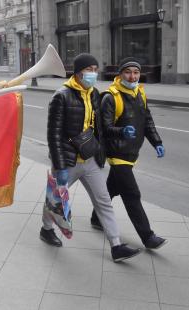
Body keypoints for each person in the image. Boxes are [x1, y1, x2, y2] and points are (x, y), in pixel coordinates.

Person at [40, 53, 141, 262]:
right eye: (89, 70)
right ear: (77, 73)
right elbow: (53, 135)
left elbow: (100, 128)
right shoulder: (61, 96)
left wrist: (120, 132)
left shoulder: (94, 93)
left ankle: (116, 245)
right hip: (67, 161)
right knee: (55, 198)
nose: (93, 73)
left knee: (103, 200)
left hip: (90, 160)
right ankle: (46, 229)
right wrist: (60, 167)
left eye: (95, 69)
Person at [90, 57, 167, 250]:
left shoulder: (140, 93)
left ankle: (96, 218)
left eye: (136, 72)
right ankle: (148, 237)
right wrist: (121, 131)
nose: (132, 76)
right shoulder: (111, 97)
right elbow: (103, 128)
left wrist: (157, 142)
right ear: (120, 74)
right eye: (128, 72)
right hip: (116, 152)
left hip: (132, 152)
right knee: (132, 193)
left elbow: (147, 122)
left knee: (112, 188)